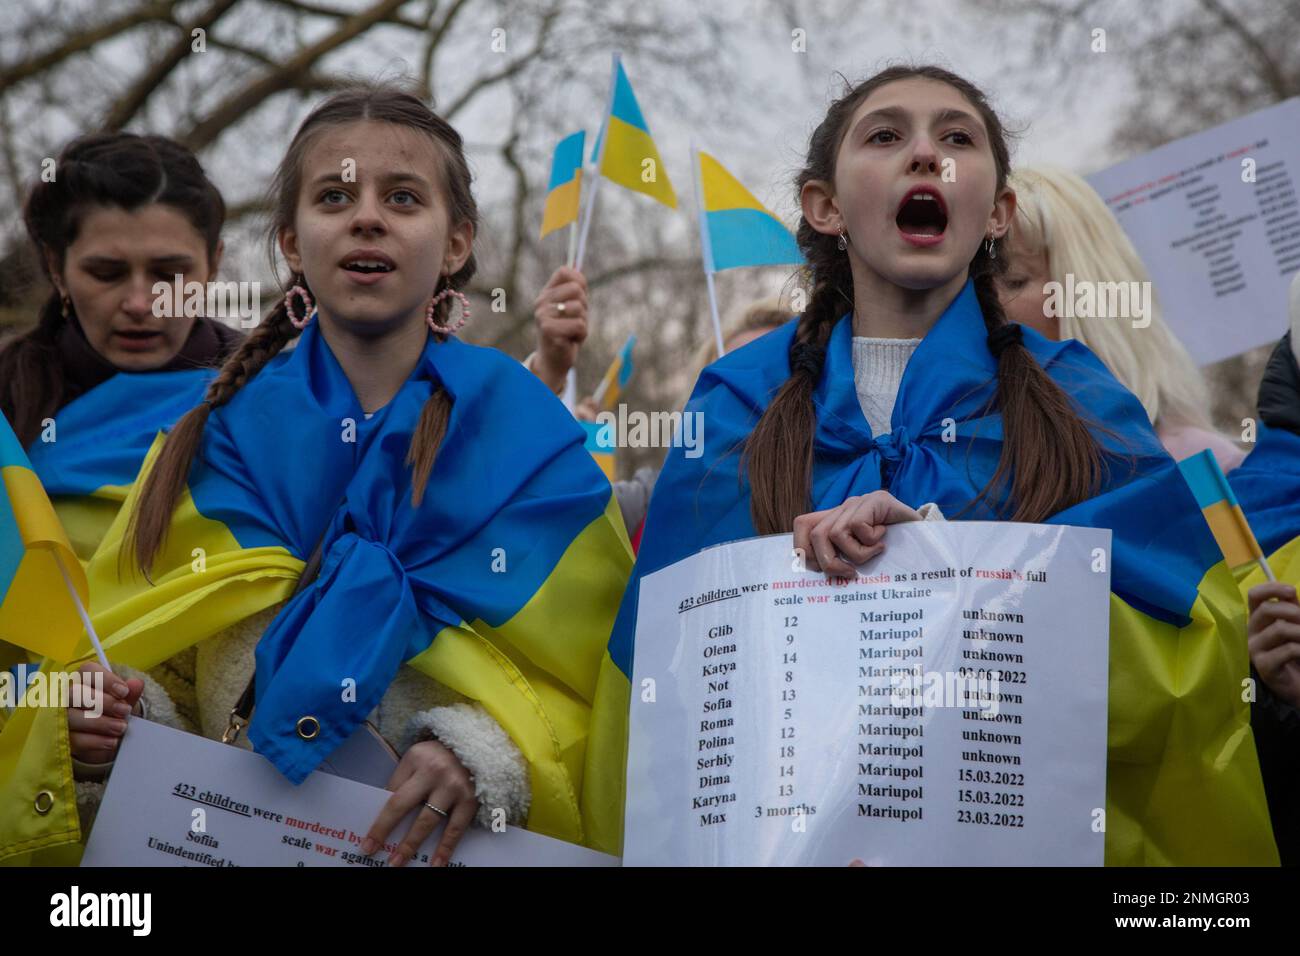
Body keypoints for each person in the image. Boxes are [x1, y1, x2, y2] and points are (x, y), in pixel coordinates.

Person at [616, 64, 1277, 864]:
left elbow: (1190, 653)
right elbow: (660, 687)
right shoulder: (732, 408)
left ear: (997, 211)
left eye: (957, 138)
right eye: (887, 135)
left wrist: (937, 558)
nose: (927, 155)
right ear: (826, 207)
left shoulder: (1082, 403)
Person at [0, 83, 632, 866]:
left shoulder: (533, 443)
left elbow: (601, 689)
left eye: (403, 197)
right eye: (335, 195)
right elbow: (151, 659)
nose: (367, 215)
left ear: (458, 242)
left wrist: (478, 751)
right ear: (293, 242)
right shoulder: (207, 438)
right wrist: (115, 728)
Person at [0, 132, 242, 562]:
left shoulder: (274, 398)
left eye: (168, 274)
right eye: (106, 273)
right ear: (57, 268)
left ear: (213, 264)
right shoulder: (8, 401)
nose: (138, 304)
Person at [998, 165, 1243, 471]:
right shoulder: (970, 464)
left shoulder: (1201, 467)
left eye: (1013, 281)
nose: (988, 305)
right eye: (975, 286)